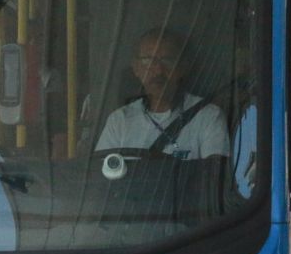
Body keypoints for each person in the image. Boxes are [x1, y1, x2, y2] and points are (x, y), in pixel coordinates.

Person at [95, 27, 226, 161]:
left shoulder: (208, 116)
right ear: (136, 68)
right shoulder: (120, 121)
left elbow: (214, 171)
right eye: (148, 61)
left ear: (182, 67)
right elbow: (100, 171)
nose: (158, 71)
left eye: (167, 61)